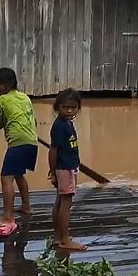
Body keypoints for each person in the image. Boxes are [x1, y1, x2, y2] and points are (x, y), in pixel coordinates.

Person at [0, 68, 37, 230]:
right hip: (31, 141)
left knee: (6, 178)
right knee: (18, 174)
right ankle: (26, 206)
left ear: (7, 84)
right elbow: (33, 122)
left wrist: (1, 116)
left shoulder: (0, 101)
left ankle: (7, 217)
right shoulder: (25, 98)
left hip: (17, 142)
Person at [48, 88, 87, 251]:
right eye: (65, 107)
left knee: (60, 202)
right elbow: (53, 150)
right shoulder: (59, 126)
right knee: (65, 204)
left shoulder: (66, 124)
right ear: (58, 108)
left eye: (73, 107)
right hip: (65, 169)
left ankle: (58, 237)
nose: (69, 110)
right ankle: (64, 239)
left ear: (78, 108)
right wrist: (53, 171)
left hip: (66, 168)